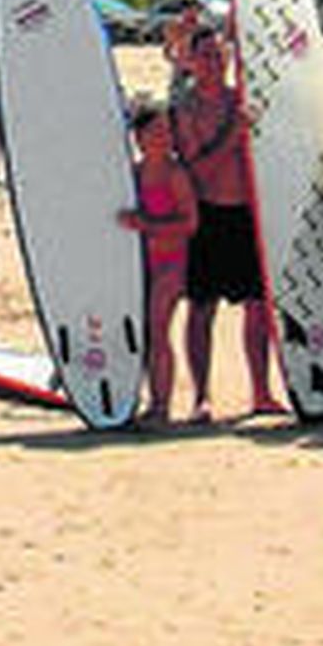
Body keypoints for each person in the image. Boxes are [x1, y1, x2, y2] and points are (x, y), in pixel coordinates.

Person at [172, 27, 288, 421]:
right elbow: (197, 171)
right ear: (190, 61)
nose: (213, 62)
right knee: (202, 308)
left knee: (257, 307)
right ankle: (201, 397)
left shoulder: (243, 99)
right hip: (207, 214)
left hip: (247, 214)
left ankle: (262, 392)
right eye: (205, 55)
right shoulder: (186, 110)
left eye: (219, 54)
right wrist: (233, 134)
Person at [117, 101, 200, 424]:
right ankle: (148, 401)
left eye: (167, 130)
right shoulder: (133, 174)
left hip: (173, 261)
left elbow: (190, 223)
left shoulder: (175, 174)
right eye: (156, 131)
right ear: (139, 137)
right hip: (141, 265)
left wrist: (147, 225)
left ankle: (162, 406)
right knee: (146, 333)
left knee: (158, 328)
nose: (164, 137)